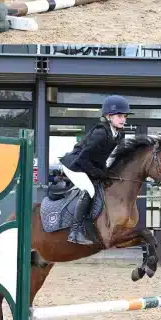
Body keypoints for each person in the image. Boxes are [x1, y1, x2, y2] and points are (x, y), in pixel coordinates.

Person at [57, 95, 132, 245]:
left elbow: (101, 158)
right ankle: (75, 231)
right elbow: (83, 159)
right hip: (74, 165)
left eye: (124, 116)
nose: (123, 119)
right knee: (90, 190)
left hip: (86, 164)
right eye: (119, 116)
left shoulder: (118, 134)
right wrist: (99, 173)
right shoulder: (100, 133)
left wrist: (106, 173)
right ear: (108, 116)